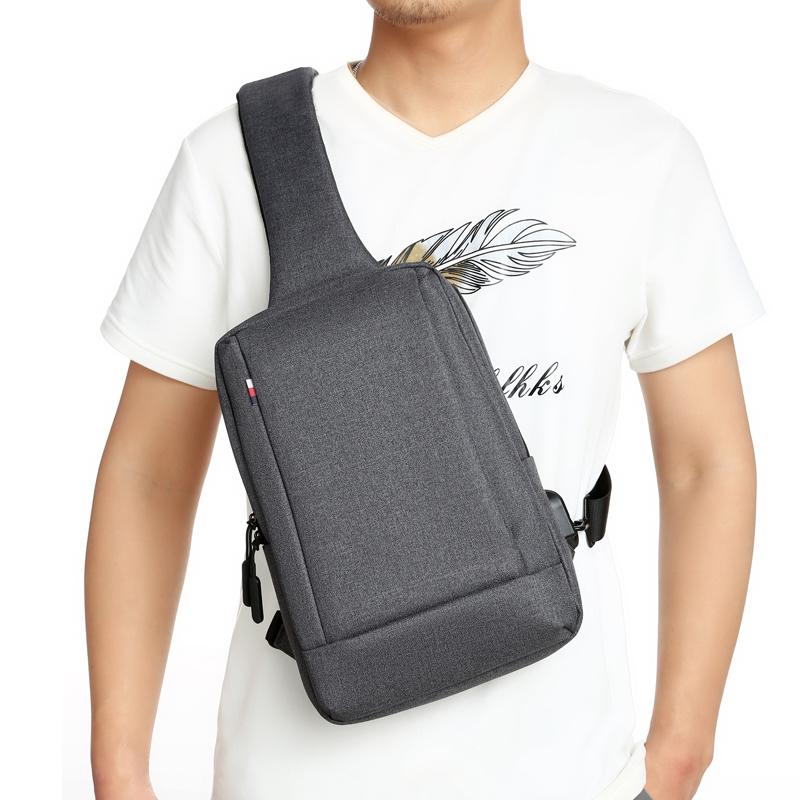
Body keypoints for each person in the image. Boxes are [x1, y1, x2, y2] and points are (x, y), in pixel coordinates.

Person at [85, 1, 765, 798]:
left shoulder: (638, 153)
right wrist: (119, 773)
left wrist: (681, 753)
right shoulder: (233, 160)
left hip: (567, 771)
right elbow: (149, 475)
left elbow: (706, 462)